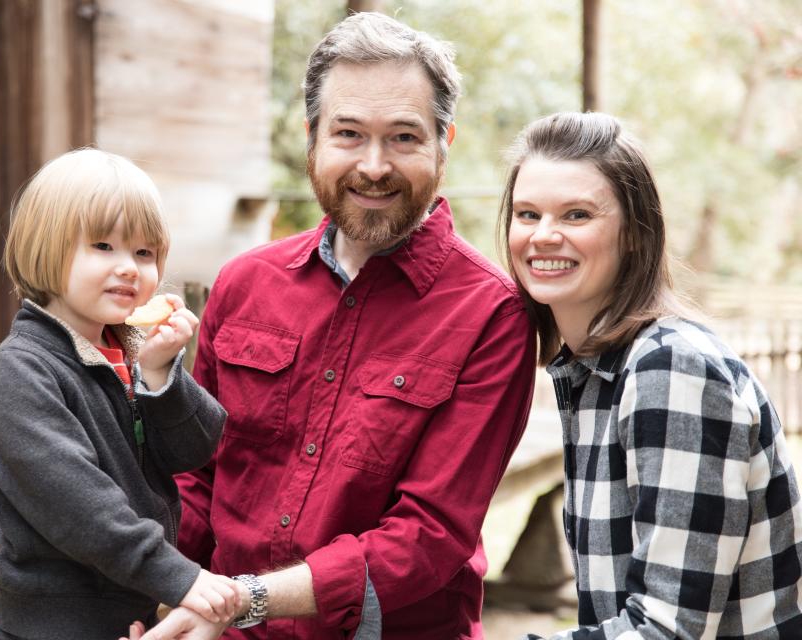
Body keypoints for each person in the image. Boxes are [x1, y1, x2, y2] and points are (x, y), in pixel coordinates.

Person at [139, 11, 537, 640]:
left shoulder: (493, 315)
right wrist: (159, 592)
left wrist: (241, 599)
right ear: (312, 140)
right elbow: (197, 474)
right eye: (348, 133)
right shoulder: (245, 283)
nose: (374, 166)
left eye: (404, 138)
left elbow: (428, 536)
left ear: (445, 143)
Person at [499, 111, 802, 639]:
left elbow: (667, 629)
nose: (543, 235)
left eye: (576, 215)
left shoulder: (671, 369)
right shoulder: (592, 373)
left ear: (636, 234)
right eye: (527, 214)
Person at [0, 148, 243, 640]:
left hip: (131, 599)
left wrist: (162, 378)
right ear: (47, 248)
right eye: (103, 246)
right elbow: (80, 508)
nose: (129, 268)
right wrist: (179, 576)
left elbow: (197, 447)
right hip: (54, 619)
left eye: (144, 253)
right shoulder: (21, 372)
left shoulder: (130, 349)